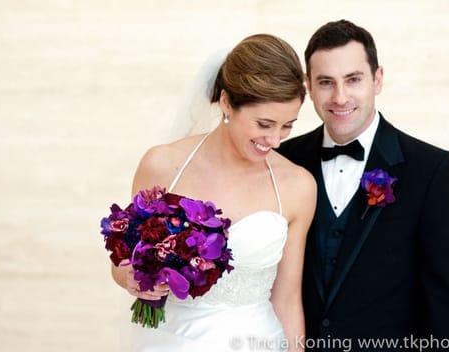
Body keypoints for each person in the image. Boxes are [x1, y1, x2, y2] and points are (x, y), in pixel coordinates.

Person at [277, 20, 449, 351]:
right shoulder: (285, 160)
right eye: (326, 82)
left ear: (377, 79)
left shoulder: (429, 170)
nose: (340, 97)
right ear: (309, 87)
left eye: (353, 80)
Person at [111, 34, 317, 351]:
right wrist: (132, 279)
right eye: (264, 123)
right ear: (225, 103)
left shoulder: (297, 186)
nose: (275, 139)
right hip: (170, 342)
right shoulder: (162, 165)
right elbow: (123, 262)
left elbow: (288, 299)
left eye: (287, 125)